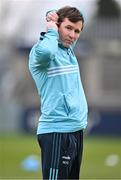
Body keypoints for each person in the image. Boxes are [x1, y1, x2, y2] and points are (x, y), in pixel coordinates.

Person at [29, 6, 88, 180]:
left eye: (77, 31)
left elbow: (78, 16)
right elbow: (48, 50)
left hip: (76, 130)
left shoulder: (67, 49)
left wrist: (51, 13)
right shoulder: (41, 53)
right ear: (56, 27)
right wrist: (51, 28)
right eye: (68, 28)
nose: (73, 35)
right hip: (56, 132)